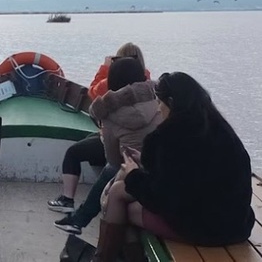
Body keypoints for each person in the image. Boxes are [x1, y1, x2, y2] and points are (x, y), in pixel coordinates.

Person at [94, 72, 255, 260]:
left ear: (171, 102)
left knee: (123, 201)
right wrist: (144, 164)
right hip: (236, 223)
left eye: (160, 102)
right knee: (123, 189)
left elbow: (161, 199)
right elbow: (186, 179)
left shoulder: (168, 137)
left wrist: (133, 174)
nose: (158, 108)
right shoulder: (221, 129)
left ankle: (104, 257)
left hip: (205, 228)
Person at [54, 57, 161, 235]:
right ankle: (79, 220)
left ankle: (78, 220)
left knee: (111, 168)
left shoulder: (110, 112)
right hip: (159, 165)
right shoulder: (156, 101)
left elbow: (112, 157)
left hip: (133, 168)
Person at [47, 43, 150, 213]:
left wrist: (105, 68)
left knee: (73, 152)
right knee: (90, 142)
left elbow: (93, 94)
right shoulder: (147, 84)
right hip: (138, 146)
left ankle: (67, 200)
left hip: (120, 146)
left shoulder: (111, 83)